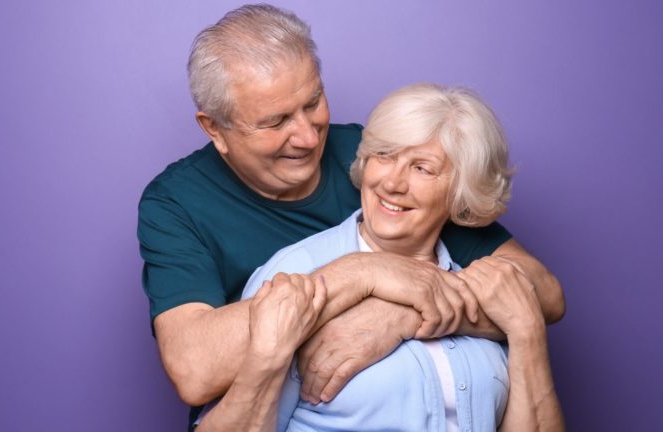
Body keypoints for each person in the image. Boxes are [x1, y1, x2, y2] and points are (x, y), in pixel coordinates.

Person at [136, 4, 565, 428]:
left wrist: (398, 315)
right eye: (275, 122)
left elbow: (542, 292)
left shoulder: (374, 158)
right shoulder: (175, 204)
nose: (306, 136)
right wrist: (361, 274)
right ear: (214, 129)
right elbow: (196, 370)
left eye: (313, 102)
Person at [198, 83, 565, 431]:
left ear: (461, 191)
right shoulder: (297, 272)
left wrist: (526, 330)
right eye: (384, 156)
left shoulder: (490, 289)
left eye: (422, 168)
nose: (392, 183)